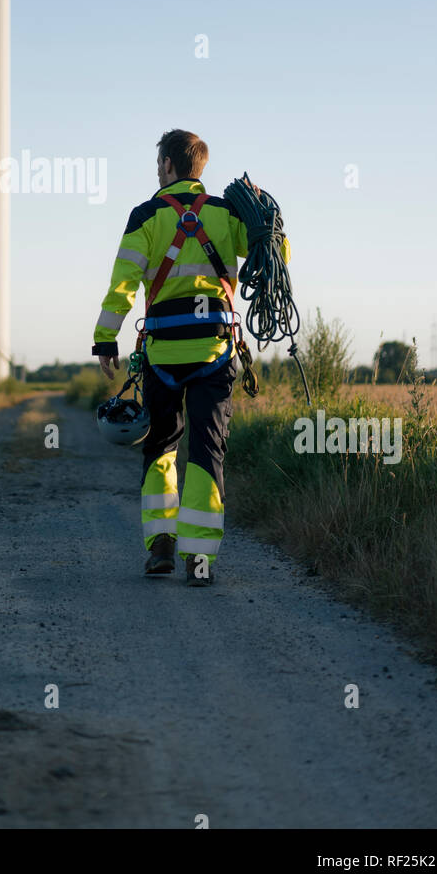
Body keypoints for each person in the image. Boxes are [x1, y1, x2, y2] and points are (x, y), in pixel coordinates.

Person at [91, 129, 287, 586]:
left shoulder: (144, 216)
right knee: (207, 453)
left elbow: (122, 283)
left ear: (167, 166)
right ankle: (199, 562)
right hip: (215, 354)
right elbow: (276, 252)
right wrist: (269, 217)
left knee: (160, 447)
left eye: (157, 162)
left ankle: (160, 544)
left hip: (161, 356)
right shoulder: (226, 213)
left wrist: (105, 339)